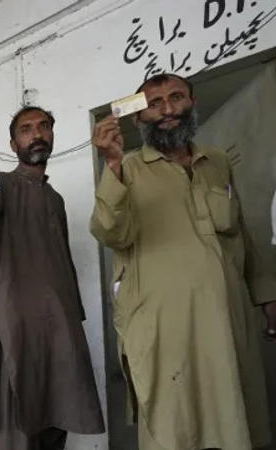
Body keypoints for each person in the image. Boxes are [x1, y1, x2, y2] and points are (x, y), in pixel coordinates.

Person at [90, 73, 274, 450]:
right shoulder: (126, 169)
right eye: (154, 103)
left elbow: (240, 230)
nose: (168, 109)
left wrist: (267, 294)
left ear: (192, 103)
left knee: (233, 417)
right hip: (164, 329)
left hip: (226, 319)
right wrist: (110, 164)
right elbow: (110, 233)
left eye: (176, 98)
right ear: (138, 118)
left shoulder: (217, 162)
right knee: (175, 425)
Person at [0, 107, 106, 449]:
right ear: (13, 144)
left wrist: (73, 318)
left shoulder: (55, 199)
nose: (36, 134)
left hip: (59, 329)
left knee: (55, 423)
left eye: (43, 127)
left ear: (52, 135)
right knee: (15, 432)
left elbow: (63, 262)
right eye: (26, 129)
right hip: (13, 329)